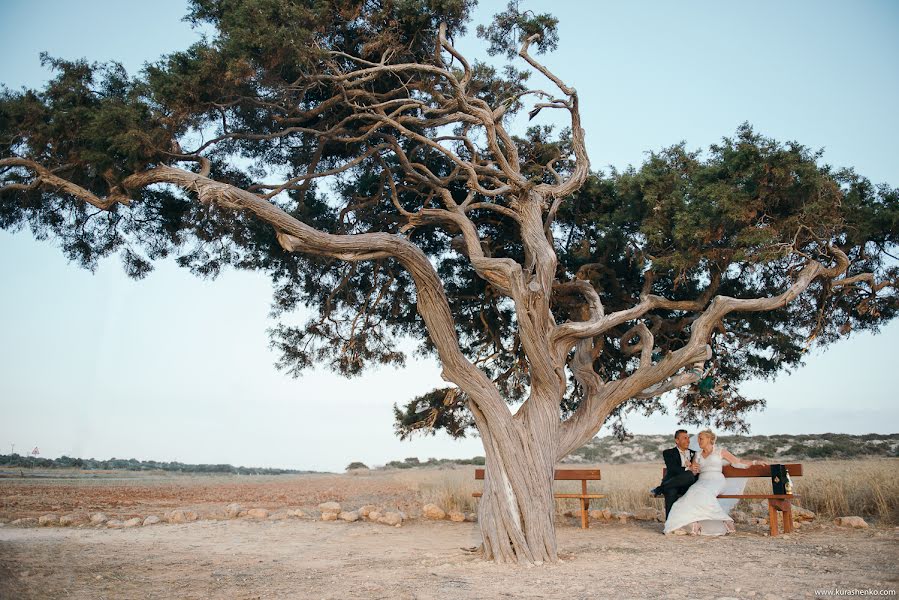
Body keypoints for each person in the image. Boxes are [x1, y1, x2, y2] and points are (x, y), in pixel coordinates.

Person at [663, 429, 768, 536]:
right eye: (698, 438)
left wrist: (755, 462)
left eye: (701, 438)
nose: (698, 441)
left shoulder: (720, 451)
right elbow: (694, 472)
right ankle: (694, 523)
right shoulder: (697, 455)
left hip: (716, 480)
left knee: (704, 493)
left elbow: (738, 462)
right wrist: (690, 467)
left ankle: (725, 519)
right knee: (688, 496)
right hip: (702, 481)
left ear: (709, 439)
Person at [650, 429, 698, 518]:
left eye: (688, 438)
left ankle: (661, 488)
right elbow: (673, 469)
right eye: (684, 438)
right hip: (673, 483)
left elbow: (695, 470)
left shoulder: (694, 453)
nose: (688, 440)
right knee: (671, 490)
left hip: (687, 485)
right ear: (677, 440)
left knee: (690, 475)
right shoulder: (668, 453)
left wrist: (692, 469)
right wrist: (688, 468)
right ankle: (670, 526)